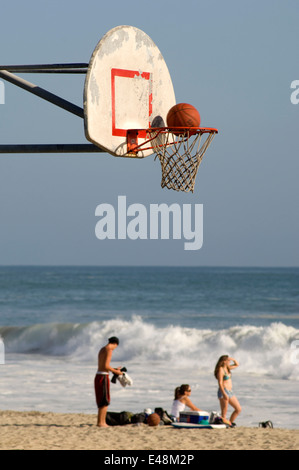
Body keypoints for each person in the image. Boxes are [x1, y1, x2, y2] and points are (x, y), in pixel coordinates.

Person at [94, 336, 123, 427]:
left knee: (101, 400)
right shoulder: (109, 350)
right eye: (116, 347)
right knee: (105, 400)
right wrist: (116, 371)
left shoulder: (102, 349)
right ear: (115, 344)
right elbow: (106, 366)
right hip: (103, 377)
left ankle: (101, 422)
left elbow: (103, 365)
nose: (114, 349)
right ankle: (101, 423)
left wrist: (114, 369)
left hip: (98, 375)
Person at [214, 355, 242, 426]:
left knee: (238, 409)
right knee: (224, 412)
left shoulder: (227, 368)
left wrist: (232, 359)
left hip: (230, 392)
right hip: (224, 391)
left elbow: (237, 364)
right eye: (228, 360)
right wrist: (224, 393)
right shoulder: (221, 369)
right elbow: (220, 383)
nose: (229, 362)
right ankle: (224, 425)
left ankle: (229, 423)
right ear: (224, 361)